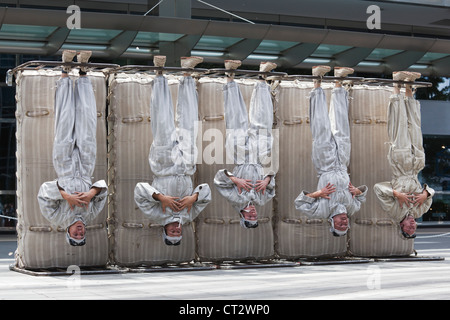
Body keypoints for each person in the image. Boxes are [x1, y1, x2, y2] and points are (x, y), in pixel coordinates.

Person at [134, 55, 211, 246]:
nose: (176, 230)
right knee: (189, 120)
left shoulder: (157, 214)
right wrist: (193, 198)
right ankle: (187, 73)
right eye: (178, 233)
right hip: (186, 166)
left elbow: (140, 191)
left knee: (162, 120)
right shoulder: (188, 215)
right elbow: (206, 194)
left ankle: (159, 73)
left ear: (165, 231)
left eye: (172, 233)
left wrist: (161, 198)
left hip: (164, 164)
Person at [37, 50, 108, 246]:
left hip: (64, 165)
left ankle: (65, 70)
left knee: (65, 119)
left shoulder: (57, 218)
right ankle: (83, 70)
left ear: (68, 232)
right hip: (86, 167)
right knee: (87, 121)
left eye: (75, 235)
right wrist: (92, 193)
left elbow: (43, 193)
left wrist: (65, 196)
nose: (79, 232)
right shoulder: (91, 214)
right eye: (82, 235)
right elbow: (104, 190)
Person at [294, 66, 368, 236]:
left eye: (339, 225)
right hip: (342, 163)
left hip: (325, 164)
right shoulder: (352, 207)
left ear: (332, 223)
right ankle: (338, 81)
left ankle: (317, 79)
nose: (344, 222)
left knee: (321, 124)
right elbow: (362, 196)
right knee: (342, 124)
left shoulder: (321, 212)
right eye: (345, 225)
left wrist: (317, 193)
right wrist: (357, 191)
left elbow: (299, 203)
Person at [214, 60, 277, 229]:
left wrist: (236, 180)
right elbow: (272, 185)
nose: (253, 213)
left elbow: (220, 178)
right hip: (259, 157)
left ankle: (229, 75)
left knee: (236, 119)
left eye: (250, 216)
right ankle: (263, 76)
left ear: (242, 215)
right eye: (255, 216)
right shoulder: (262, 199)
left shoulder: (234, 198)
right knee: (263, 120)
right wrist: (267, 180)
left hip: (240, 156)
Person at [374, 71, 434, 239]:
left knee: (399, 123)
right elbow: (430, 193)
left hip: (400, 165)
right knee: (414, 124)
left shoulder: (394, 212)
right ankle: (408, 85)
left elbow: (378, 188)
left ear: (402, 225)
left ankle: (396, 82)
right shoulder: (419, 210)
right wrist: (425, 194)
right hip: (416, 165)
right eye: (414, 229)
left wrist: (396, 194)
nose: (413, 225)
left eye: (409, 228)